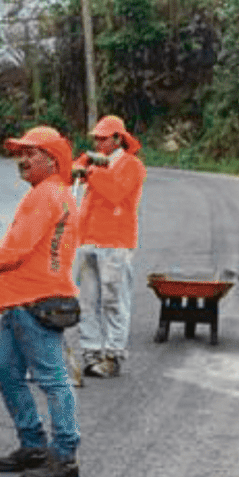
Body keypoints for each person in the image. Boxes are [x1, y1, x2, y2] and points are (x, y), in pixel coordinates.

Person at [0, 126, 82, 477]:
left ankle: (64, 456)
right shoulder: (57, 193)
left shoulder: (45, 196)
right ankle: (33, 444)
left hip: (36, 301)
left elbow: (17, 249)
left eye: (30, 153)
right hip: (25, 301)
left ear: (51, 159)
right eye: (21, 153)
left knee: (53, 380)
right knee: (5, 371)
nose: (22, 160)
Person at [72, 114, 147, 378]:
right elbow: (71, 175)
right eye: (97, 139)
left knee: (114, 301)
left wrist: (90, 169)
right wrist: (82, 163)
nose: (99, 142)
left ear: (118, 139)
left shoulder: (132, 165)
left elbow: (115, 192)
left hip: (115, 243)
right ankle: (91, 352)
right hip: (88, 240)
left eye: (104, 138)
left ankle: (113, 355)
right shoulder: (97, 163)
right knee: (87, 301)